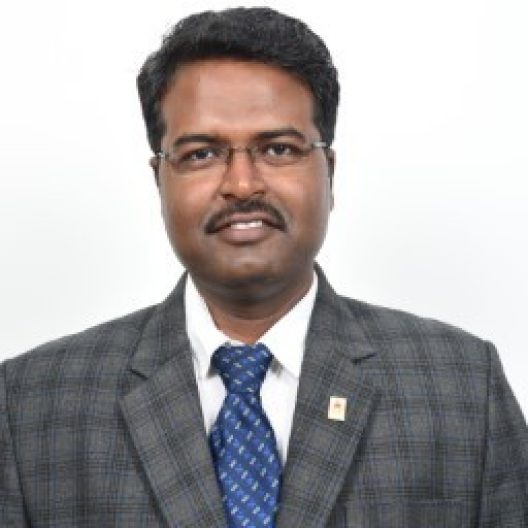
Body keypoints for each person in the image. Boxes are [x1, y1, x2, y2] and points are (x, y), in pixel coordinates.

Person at [1, 7, 527, 527]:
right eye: (201, 154)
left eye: (278, 148)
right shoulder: (32, 403)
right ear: (159, 180)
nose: (242, 184)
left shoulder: (463, 387)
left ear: (329, 173)